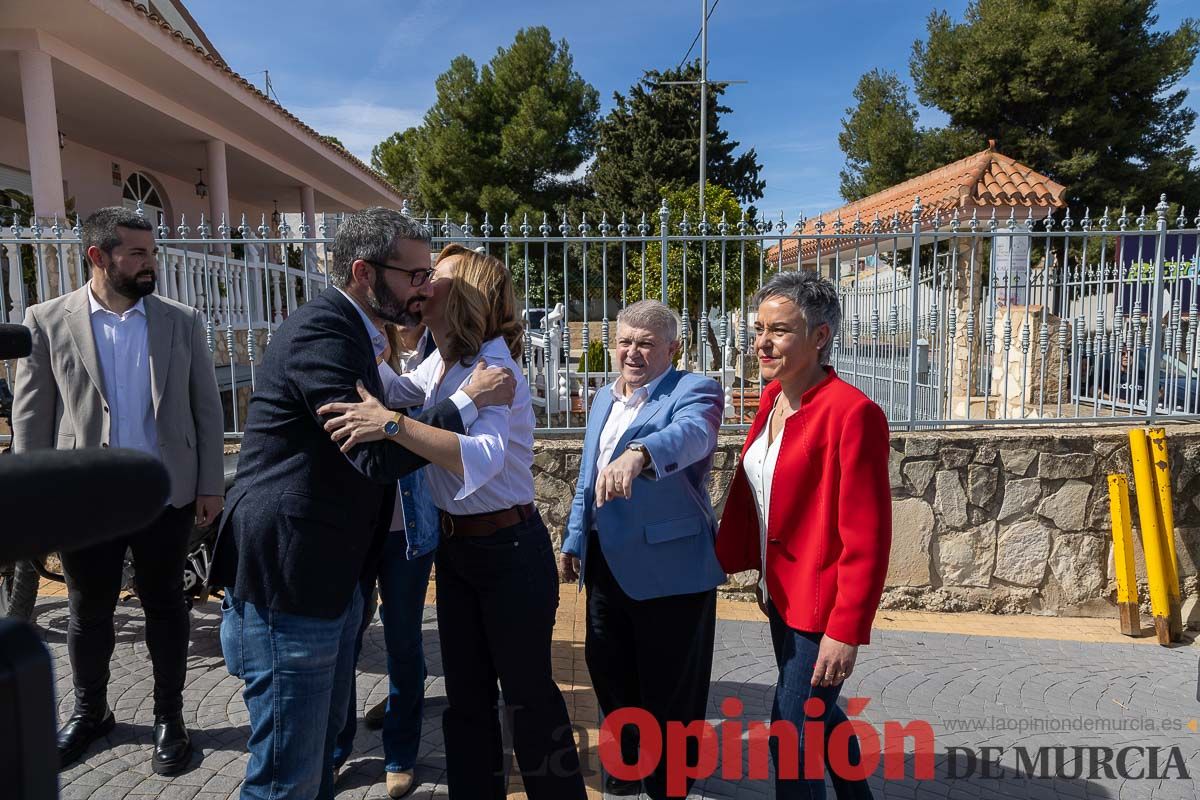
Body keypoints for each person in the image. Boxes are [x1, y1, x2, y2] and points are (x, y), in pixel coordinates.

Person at [210, 209, 515, 800]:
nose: (425, 288)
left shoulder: (360, 336)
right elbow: (373, 456)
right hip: (292, 579)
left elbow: (395, 415)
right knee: (284, 778)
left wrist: (416, 411)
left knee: (314, 761)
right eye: (415, 275)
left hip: (329, 572)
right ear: (362, 272)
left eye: (430, 276)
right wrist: (468, 402)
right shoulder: (326, 333)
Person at [318, 244, 586, 800]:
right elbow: (402, 391)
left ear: (460, 294)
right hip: (461, 551)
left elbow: (480, 457)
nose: (420, 285)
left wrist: (390, 427)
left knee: (528, 699)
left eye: (430, 278)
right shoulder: (441, 360)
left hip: (509, 552)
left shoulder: (493, 366)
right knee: (466, 700)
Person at [10, 206, 225, 774]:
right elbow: (32, 418)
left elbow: (207, 407)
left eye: (152, 253)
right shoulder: (47, 320)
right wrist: (34, 498)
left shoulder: (181, 320)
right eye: (137, 254)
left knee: (166, 608)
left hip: (166, 494)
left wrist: (210, 485)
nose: (149, 263)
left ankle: (169, 717)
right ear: (98, 257)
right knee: (88, 611)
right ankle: (90, 712)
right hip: (85, 501)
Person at [714, 270, 891, 800]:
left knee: (790, 739)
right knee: (821, 713)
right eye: (759, 329)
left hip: (821, 609)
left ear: (820, 337)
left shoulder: (852, 414)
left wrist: (845, 631)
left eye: (780, 331)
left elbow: (869, 535)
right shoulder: (773, 399)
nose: (762, 343)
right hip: (780, 595)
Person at [558, 300, 725, 799]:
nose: (633, 352)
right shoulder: (604, 399)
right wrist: (572, 537)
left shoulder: (694, 390)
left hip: (671, 569)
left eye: (646, 343)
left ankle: (669, 783)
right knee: (607, 668)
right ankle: (630, 764)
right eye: (625, 341)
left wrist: (641, 452)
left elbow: (692, 434)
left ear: (672, 349)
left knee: (671, 689)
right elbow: (588, 477)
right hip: (607, 562)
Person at [332, 321, 440, 799]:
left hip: (407, 528)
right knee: (345, 640)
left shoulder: (421, 368)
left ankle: (401, 751)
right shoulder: (341, 360)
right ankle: (337, 749)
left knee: (402, 639)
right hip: (354, 528)